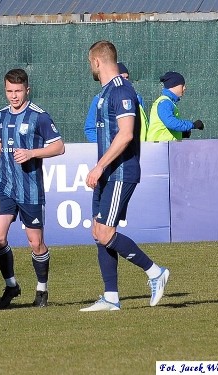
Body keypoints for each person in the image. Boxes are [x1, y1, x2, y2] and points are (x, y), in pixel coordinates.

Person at [80, 40, 169, 312]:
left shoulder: (121, 90)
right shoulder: (105, 93)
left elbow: (126, 133)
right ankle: (111, 298)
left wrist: (99, 167)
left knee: (106, 232)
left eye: (90, 64)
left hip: (120, 172)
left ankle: (155, 272)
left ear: (97, 61)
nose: (91, 69)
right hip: (108, 173)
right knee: (99, 232)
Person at [0, 68, 65, 309]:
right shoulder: (1, 116)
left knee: (35, 243)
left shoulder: (40, 116)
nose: (13, 96)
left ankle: (41, 289)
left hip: (30, 188)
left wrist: (32, 153)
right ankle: (11, 285)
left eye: (18, 91)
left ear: (27, 89)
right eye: (9, 91)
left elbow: (59, 147)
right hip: (4, 185)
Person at [84, 62, 147, 142]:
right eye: (122, 77)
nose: (125, 80)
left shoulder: (137, 98)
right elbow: (90, 128)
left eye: (127, 77)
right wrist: (104, 147)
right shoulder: (99, 99)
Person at [146, 71, 204, 142]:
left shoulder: (168, 102)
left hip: (164, 147)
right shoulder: (165, 102)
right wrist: (193, 125)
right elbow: (171, 123)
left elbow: (165, 127)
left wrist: (180, 133)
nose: (185, 88)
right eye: (182, 85)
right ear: (174, 85)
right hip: (159, 148)